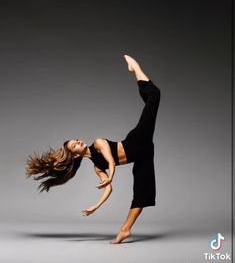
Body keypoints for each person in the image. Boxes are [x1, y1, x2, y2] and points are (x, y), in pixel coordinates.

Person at [26, 55, 161, 244]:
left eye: (76, 140)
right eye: (75, 145)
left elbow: (112, 161)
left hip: (138, 140)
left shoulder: (98, 142)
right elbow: (108, 189)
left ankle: (135, 69)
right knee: (142, 193)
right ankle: (125, 230)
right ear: (74, 154)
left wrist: (111, 175)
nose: (78, 141)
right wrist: (95, 206)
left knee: (154, 96)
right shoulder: (96, 167)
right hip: (143, 155)